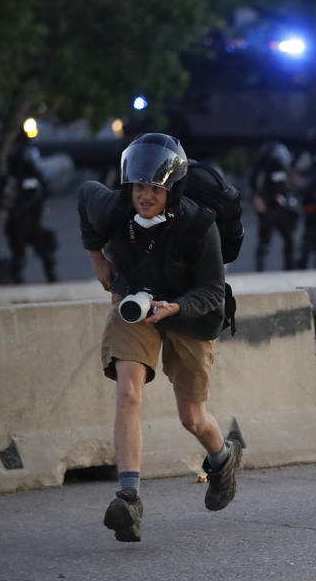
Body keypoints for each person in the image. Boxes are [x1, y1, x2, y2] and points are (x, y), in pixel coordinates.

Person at [77, 132, 244, 543]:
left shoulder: (199, 224)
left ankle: (223, 458)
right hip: (134, 302)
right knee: (128, 392)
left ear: (171, 187)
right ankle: (129, 499)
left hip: (191, 315)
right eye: (138, 186)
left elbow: (211, 292)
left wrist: (175, 308)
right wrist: (97, 257)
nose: (144, 196)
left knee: (192, 418)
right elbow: (85, 194)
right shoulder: (114, 207)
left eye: (155, 188)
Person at [0, 142, 58, 283]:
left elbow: (44, 192)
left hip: (34, 223)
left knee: (46, 252)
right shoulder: (14, 177)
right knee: (18, 256)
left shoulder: (35, 176)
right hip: (18, 223)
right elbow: (4, 198)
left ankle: (52, 279)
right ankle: (18, 282)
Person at [249, 141, 300, 271]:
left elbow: (291, 185)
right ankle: (260, 270)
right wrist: (259, 202)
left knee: (289, 240)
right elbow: (255, 189)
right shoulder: (262, 170)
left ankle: (290, 269)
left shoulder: (284, 169)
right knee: (264, 242)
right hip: (269, 207)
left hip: (283, 208)